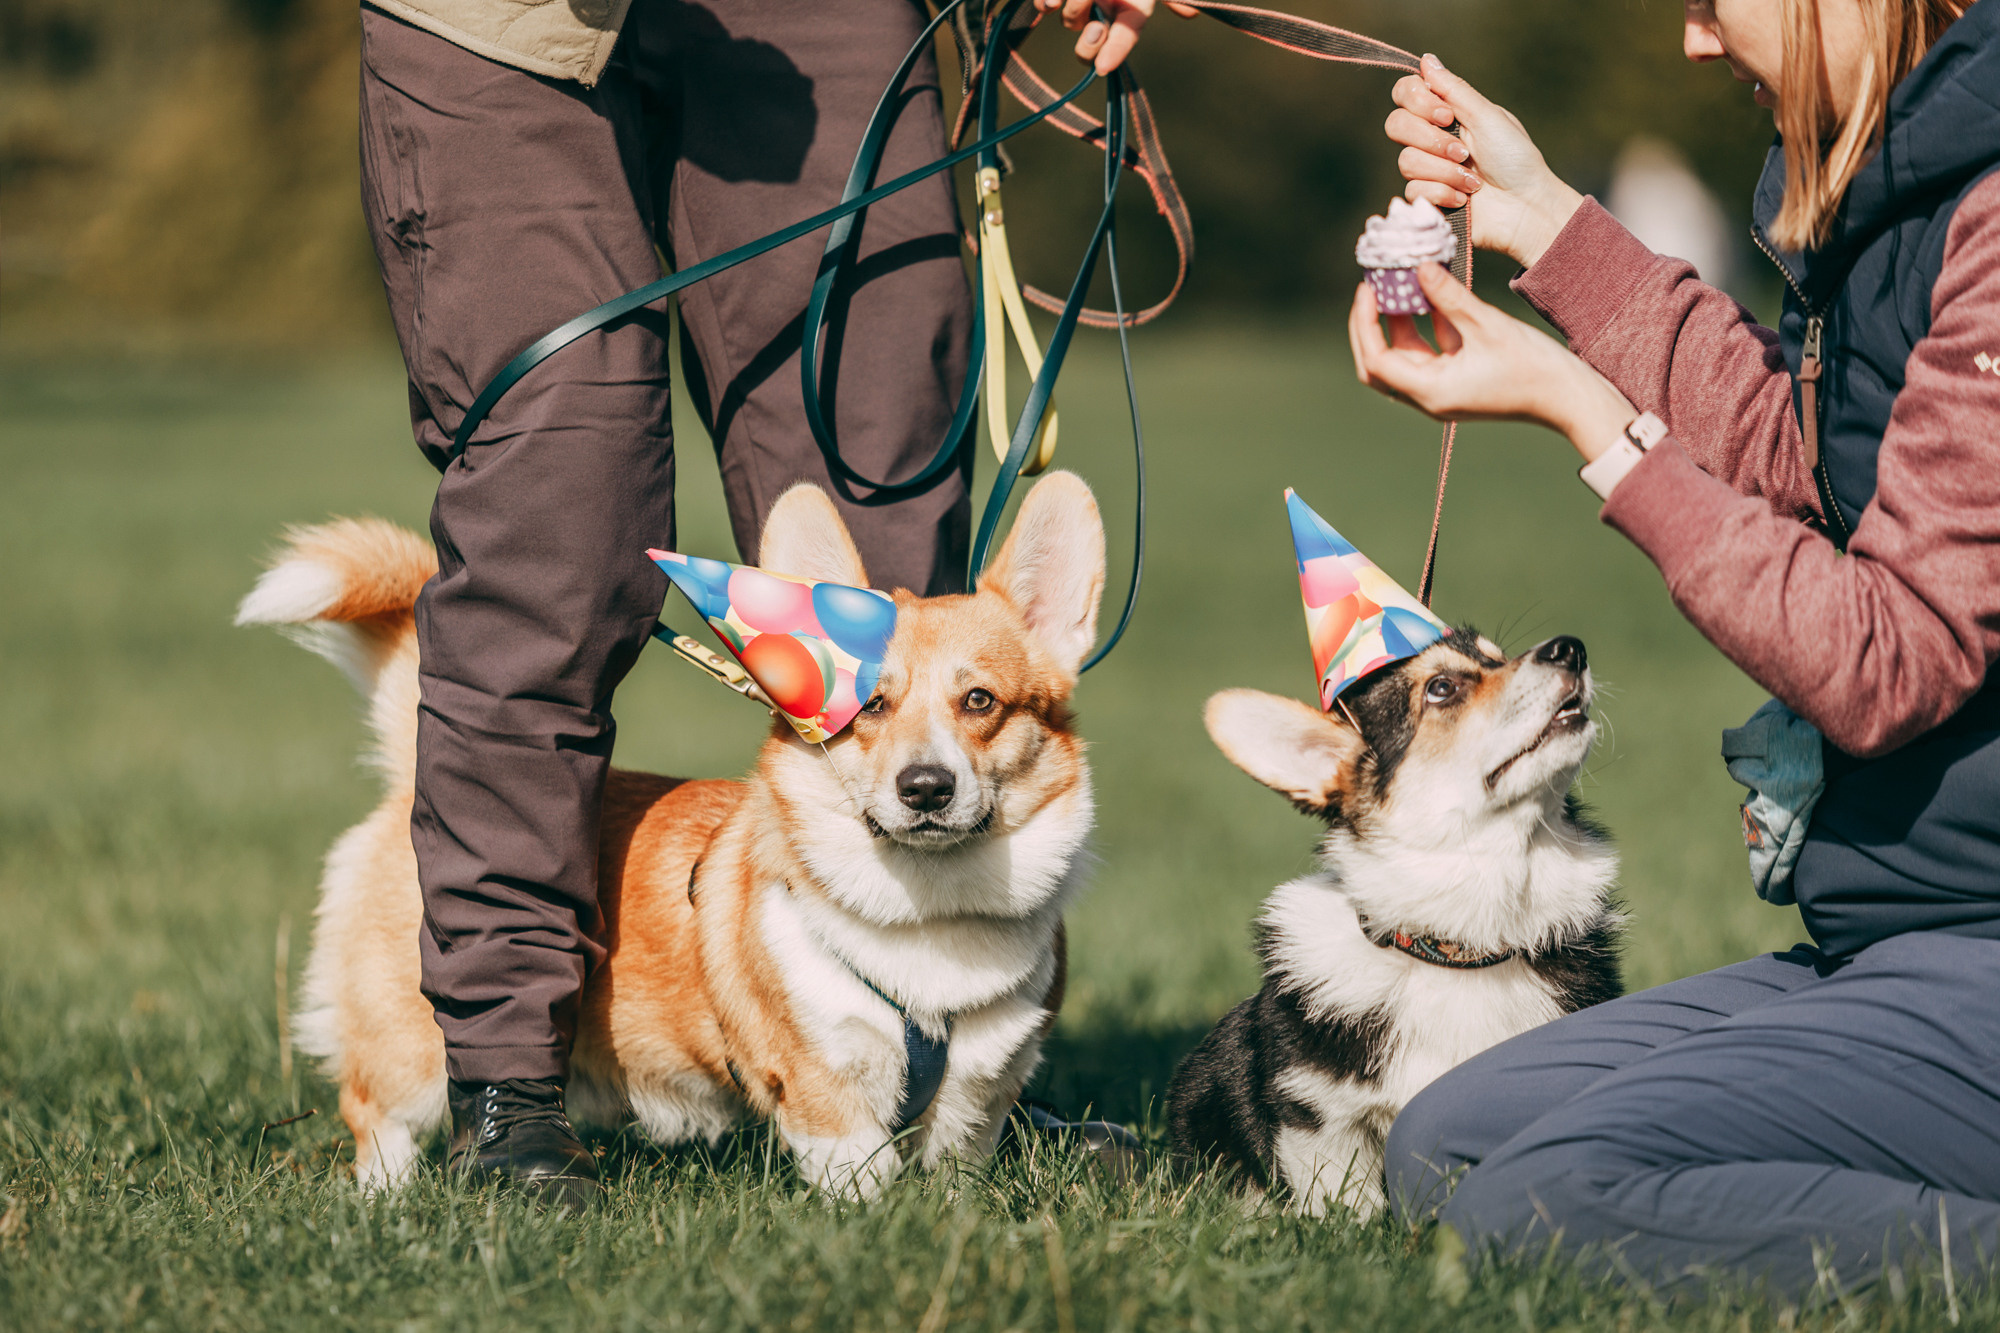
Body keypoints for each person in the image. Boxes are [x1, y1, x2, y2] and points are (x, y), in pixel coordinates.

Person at [357, 0, 1179, 1205]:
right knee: (558, 523)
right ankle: (505, 1083)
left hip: (817, 26)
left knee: (882, 515)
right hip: (503, 28)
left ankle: (944, 1070)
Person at [1349, 0, 2000, 1298]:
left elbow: (1894, 654)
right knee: (1447, 1146)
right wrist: (1539, 216)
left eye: (1714, 1)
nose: (1696, 42)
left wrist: (1581, 407)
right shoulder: (1904, 188)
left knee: (1544, 1204)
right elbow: (1800, 460)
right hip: (1903, 932)